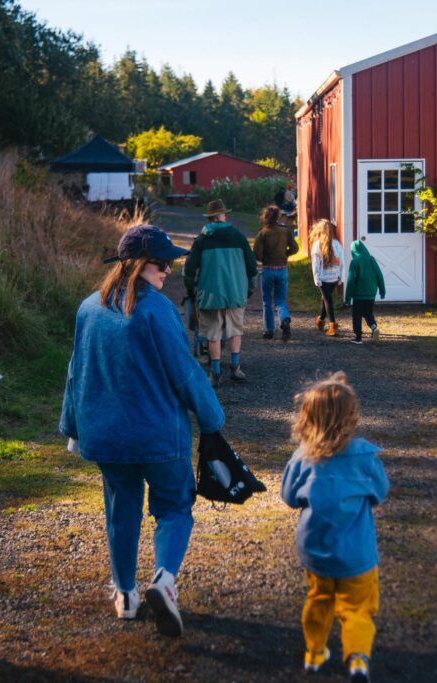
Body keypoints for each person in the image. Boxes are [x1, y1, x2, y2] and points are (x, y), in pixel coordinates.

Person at [59, 224, 225, 638]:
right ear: (137, 265)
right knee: (173, 507)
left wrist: (72, 426)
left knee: (121, 510)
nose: (167, 270)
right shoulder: (157, 310)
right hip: (159, 436)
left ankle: (126, 595)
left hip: (108, 437)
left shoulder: (88, 309)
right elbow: (184, 373)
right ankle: (164, 581)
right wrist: (213, 421)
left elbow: (75, 373)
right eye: (161, 263)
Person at [280, 372, 389, 683]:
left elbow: (289, 496)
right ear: (351, 417)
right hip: (357, 555)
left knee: (319, 599)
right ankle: (357, 659)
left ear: (307, 418)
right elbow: (379, 492)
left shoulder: (302, 459)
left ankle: (315, 653)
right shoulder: (365, 456)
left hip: (317, 551)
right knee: (357, 608)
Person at [183, 199, 258, 387]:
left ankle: (215, 373)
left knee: (213, 334)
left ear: (209, 218)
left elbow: (189, 270)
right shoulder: (239, 237)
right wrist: (248, 289)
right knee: (235, 331)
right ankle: (235, 368)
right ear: (225, 216)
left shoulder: (202, 240)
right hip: (235, 292)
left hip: (210, 294)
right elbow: (252, 267)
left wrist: (192, 291)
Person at [252, 204, 298, 341]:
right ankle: (284, 320)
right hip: (282, 269)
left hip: (268, 270)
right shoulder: (285, 231)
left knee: (267, 301)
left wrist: (265, 259)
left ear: (265, 217)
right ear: (278, 216)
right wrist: (285, 255)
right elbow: (295, 248)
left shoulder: (263, 233)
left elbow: (257, 254)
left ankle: (269, 330)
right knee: (280, 300)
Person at [343, 241, 386, 345]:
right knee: (368, 313)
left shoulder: (355, 262)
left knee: (357, 315)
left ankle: (358, 337)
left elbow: (351, 280)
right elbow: (379, 275)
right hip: (371, 293)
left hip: (359, 294)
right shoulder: (371, 259)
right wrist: (382, 290)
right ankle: (374, 327)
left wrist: (348, 298)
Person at [309, 218, 344, 337]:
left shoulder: (316, 245)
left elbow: (315, 264)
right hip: (334, 278)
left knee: (327, 300)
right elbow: (342, 262)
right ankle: (320, 320)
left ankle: (333, 325)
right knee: (325, 298)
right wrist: (341, 277)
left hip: (323, 279)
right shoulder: (337, 244)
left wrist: (316, 279)